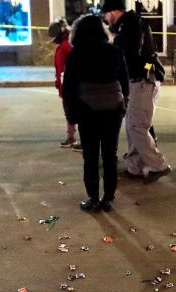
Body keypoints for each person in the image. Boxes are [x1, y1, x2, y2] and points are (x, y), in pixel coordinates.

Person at [62, 14, 130, 212]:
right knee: (110, 155)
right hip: (112, 109)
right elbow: (124, 83)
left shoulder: (76, 54)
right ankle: (108, 198)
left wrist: (71, 115)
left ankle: (93, 198)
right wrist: (123, 104)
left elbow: (69, 89)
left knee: (90, 156)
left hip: (87, 109)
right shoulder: (115, 51)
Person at [102, 0, 170, 182]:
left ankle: (158, 165)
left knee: (136, 125)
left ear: (113, 11)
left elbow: (131, 52)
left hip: (143, 79)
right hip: (138, 80)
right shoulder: (128, 24)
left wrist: (113, 44)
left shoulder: (131, 25)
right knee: (133, 125)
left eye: (106, 14)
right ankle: (135, 167)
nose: (105, 18)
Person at [49, 19, 81, 151]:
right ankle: (71, 137)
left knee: (74, 112)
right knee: (70, 113)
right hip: (67, 85)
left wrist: (63, 86)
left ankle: (78, 139)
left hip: (70, 86)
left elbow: (64, 70)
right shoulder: (65, 45)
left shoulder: (66, 46)